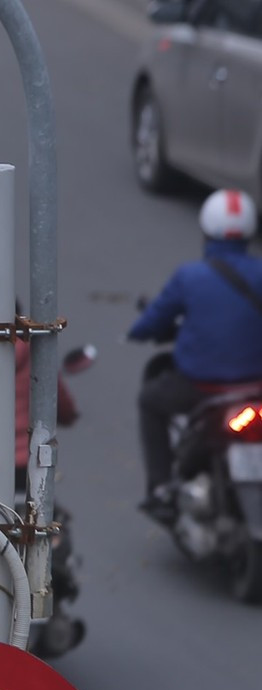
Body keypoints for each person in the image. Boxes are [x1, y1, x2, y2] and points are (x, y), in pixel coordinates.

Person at [129, 189, 262, 520]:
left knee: (150, 400)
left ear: (206, 230)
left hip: (202, 389)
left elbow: (152, 322)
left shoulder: (190, 277)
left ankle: (160, 488)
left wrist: (138, 331)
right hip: (255, 387)